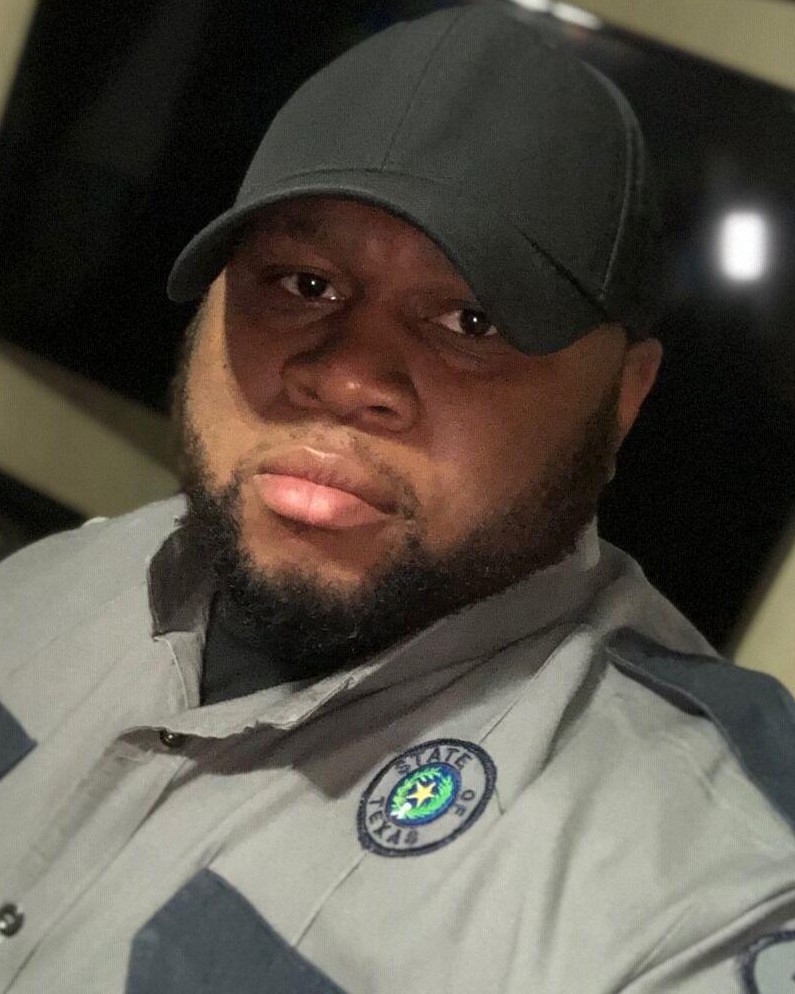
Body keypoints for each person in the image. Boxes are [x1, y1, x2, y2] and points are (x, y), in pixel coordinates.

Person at [0, 6, 793, 993]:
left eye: (471, 319)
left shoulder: (699, 880)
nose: (345, 377)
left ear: (624, 397)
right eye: (304, 283)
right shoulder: (54, 579)